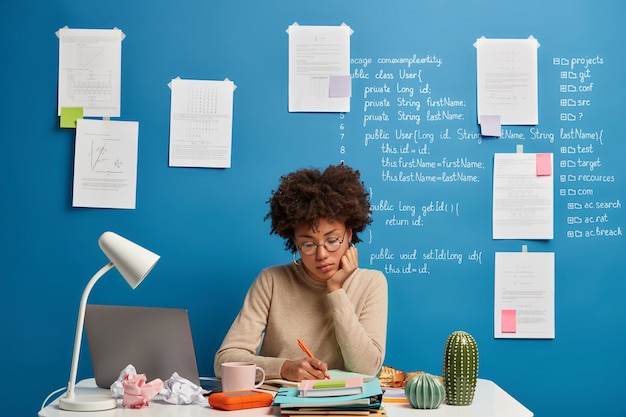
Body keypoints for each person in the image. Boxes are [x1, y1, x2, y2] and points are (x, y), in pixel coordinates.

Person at [214, 164, 388, 382]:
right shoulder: (272, 280)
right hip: (278, 404)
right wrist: (284, 368)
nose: (322, 254)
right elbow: (224, 361)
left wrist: (335, 291)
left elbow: (366, 368)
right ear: (294, 243)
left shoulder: (371, 283)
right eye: (308, 245)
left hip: (343, 407)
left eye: (332, 241)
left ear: (349, 234)